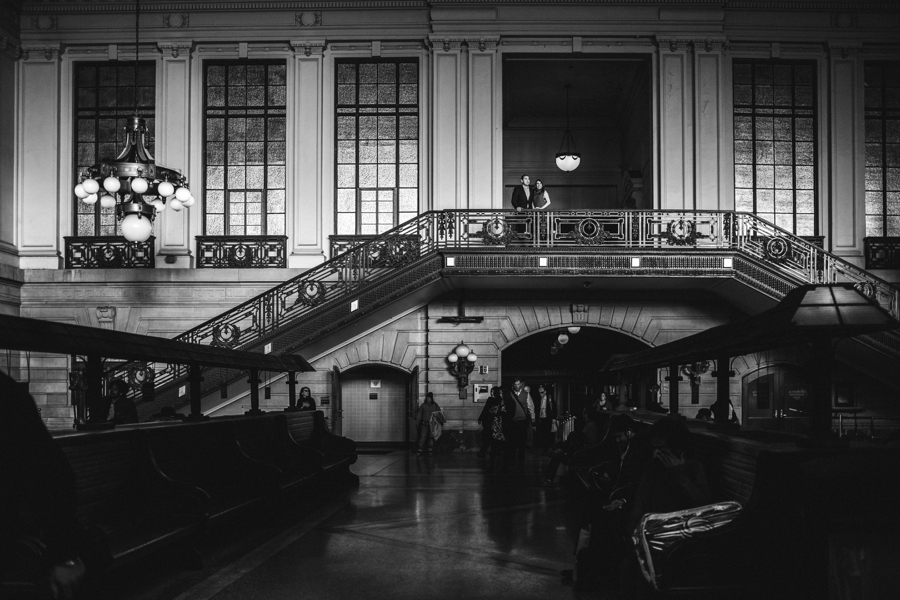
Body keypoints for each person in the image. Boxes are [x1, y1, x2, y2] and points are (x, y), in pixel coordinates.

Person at [1, 370, 90, 599]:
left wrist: (65, 554)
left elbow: (49, 474)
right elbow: (51, 474)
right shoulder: (8, 393)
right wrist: (66, 556)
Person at [507, 378, 535, 459]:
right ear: (513, 385)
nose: (516, 386)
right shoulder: (510, 394)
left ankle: (521, 454)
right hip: (512, 419)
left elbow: (531, 406)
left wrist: (533, 418)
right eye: (515, 384)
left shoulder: (526, 394)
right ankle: (513, 454)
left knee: (522, 438)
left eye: (518, 384)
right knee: (513, 438)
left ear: (520, 385)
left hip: (523, 420)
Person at [484, 386, 509, 472]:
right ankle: (492, 465)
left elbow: (509, 414)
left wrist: (498, 412)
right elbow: (490, 410)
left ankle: (504, 465)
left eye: (502, 393)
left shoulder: (508, 402)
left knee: (504, 448)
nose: (501, 395)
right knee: (494, 448)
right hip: (496, 427)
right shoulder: (495, 401)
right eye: (500, 393)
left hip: (504, 427)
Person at [535, 384, 557, 454]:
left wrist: (553, 418)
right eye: (539, 392)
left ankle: (547, 450)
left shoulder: (550, 399)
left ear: (545, 392)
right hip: (541, 419)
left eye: (542, 392)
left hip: (548, 419)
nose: (540, 394)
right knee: (543, 435)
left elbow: (554, 409)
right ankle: (545, 449)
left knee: (548, 435)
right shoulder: (538, 399)